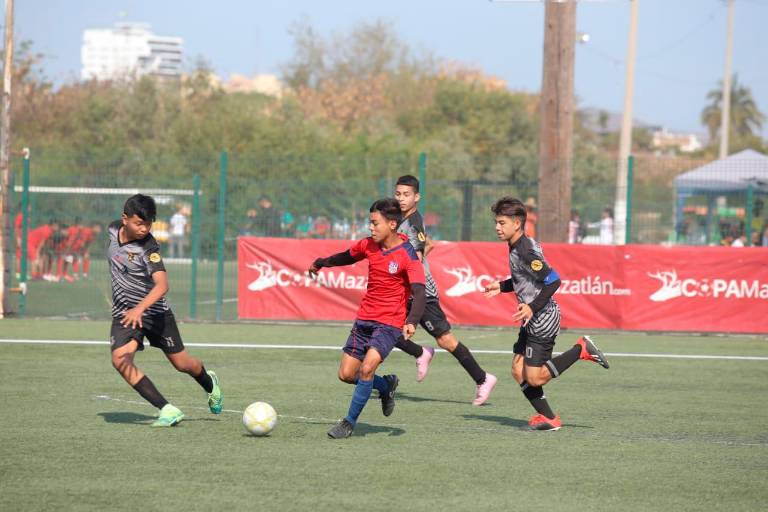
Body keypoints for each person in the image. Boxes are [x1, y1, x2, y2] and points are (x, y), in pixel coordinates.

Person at [484, 197, 609, 431]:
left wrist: (531, 306)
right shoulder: (517, 245)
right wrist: (501, 287)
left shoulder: (524, 250)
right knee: (517, 370)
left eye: (501, 223)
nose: (497, 227)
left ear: (517, 223)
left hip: (542, 319)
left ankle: (580, 349)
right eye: (496, 222)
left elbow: (553, 281)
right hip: (530, 319)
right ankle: (550, 418)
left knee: (535, 378)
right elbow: (525, 279)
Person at [308, 198, 426, 439]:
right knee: (347, 375)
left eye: (375, 223)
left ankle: (348, 423)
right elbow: (346, 257)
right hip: (365, 318)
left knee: (368, 367)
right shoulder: (368, 246)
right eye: (369, 223)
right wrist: (321, 263)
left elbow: (419, 291)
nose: (371, 228)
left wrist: (411, 320)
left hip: (390, 322)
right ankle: (386, 385)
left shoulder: (407, 253)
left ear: (392, 224)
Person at [108, 194, 223, 427]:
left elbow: (163, 285)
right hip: (126, 315)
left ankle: (209, 383)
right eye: (139, 223)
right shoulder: (111, 230)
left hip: (155, 314)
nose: (144, 229)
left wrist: (140, 308)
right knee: (120, 359)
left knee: (182, 364)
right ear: (124, 219)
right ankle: (167, 409)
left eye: (149, 224)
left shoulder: (149, 248)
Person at [392, 174, 497, 405]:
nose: (401, 198)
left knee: (446, 340)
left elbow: (417, 258)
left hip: (421, 292)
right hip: (403, 289)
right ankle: (419, 353)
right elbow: (429, 244)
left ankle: (483, 378)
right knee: (383, 328)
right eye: (398, 194)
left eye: (406, 195)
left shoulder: (414, 223)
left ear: (417, 197)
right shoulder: (398, 218)